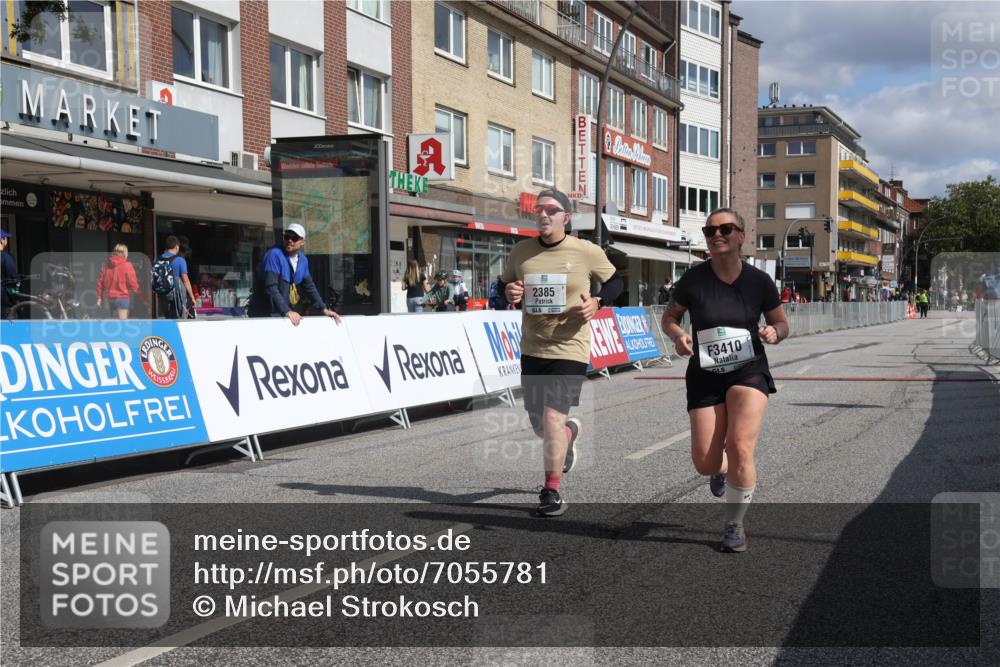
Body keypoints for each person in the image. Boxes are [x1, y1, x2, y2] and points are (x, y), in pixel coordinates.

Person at [660, 208, 789, 553]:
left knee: (741, 446)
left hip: (748, 369)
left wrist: (774, 332)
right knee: (705, 462)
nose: (717, 234)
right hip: (704, 373)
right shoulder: (693, 279)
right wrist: (677, 335)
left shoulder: (759, 281)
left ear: (741, 236)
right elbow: (669, 317)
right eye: (710, 230)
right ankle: (723, 470)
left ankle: (735, 524)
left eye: (725, 228)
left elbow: (782, 323)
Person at [500, 188, 622, 517]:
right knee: (542, 427)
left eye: (551, 210)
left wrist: (598, 301)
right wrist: (508, 290)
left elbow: (615, 283)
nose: (543, 215)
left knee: (553, 417)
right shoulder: (521, 252)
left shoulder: (585, 251)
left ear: (565, 218)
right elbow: (504, 286)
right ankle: (569, 434)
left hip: (570, 347)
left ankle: (551, 491)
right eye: (538, 210)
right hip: (532, 347)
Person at [247, 223, 341, 325]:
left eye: (294, 238)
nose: (290, 240)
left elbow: (309, 286)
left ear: (302, 242)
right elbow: (271, 287)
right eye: (287, 237)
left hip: (282, 314)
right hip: (264, 314)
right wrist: (287, 311)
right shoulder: (274, 255)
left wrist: (323, 309)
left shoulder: (303, 260)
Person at [155, 236, 196, 319]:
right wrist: (192, 297)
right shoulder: (179, 260)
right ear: (177, 247)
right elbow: (185, 279)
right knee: (178, 319)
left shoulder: (157, 259)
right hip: (176, 296)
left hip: (162, 295)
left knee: (166, 318)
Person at [96, 244, 141, 320]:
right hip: (122, 298)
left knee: (112, 326)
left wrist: (99, 298)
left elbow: (100, 283)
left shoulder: (105, 266)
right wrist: (142, 297)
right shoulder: (127, 265)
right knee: (122, 325)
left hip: (109, 299)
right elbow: (133, 284)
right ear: (125, 253)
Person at [1, 230, 17, 319]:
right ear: (1, 240)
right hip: (4, 302)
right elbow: (13, 280)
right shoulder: (5, 257)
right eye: (6, 238)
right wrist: (16, 299)